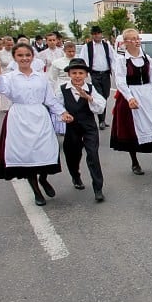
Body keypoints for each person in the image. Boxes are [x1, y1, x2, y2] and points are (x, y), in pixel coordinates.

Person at [0, 44, 68, 206]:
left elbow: (50, 99)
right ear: (15, 58)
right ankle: (36, 191)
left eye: (27, 55)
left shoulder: (40, 77)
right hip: (20, 117)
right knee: (27, 155)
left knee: (47, 151)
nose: (24, 58)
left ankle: (43, 179)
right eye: (20, 55)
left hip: (40, 116)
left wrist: (62, 113)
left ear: (32, 57)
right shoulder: (10, 77)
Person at [109, 29, 152, 176]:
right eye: (132, 39)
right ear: (125, 42)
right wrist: (129, 97)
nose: (136, 41)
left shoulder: (146, 58)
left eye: (137, 38)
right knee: (132, 130)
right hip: (131, 95)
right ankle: (135, 163)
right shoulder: (121, 60)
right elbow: (120, 81)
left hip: (148, 94)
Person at [60, 58, 106, 203]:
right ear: (69, 74)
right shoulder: (63, 89)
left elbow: (101, 107)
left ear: (86, 74)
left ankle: (98, 188)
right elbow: (56, 105)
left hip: (89, 127)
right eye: (74, 73)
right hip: (72, 127)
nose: (77, 76)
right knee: (72, 155)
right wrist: (63, 114)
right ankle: (76, 176)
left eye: (81, 73)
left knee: (93, 155)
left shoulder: (91, 89)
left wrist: (89, 98)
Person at [79, 26, 116, 130]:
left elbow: (113, 58)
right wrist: (84, 73)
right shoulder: (88, 47)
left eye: (98, 33)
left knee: (105, 95)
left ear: (101, 34)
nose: (97, 36)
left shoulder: (106, 45)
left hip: (105, 74)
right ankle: (101, 120)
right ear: (92, 35)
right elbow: (83, 60)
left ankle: (102, 119)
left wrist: (115, 71)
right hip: (95, 74)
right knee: (99, 95)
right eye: (95, 34)